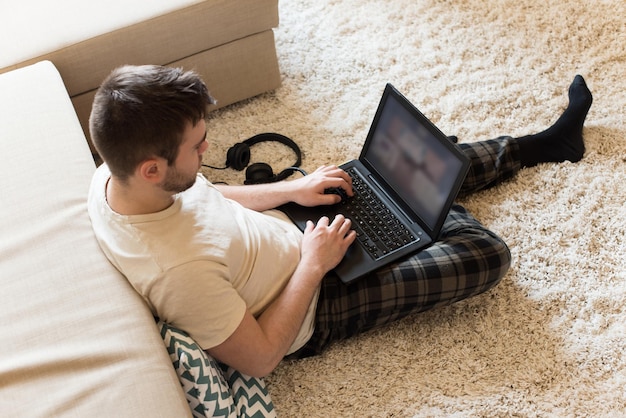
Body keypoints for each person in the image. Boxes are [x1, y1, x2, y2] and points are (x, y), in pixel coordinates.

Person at [87, 65, 593, 377]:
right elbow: (261, 359)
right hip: (316, 302)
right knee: (483, 252)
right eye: (197, 146)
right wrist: (312, 265)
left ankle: (542, 146)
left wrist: (292, 190)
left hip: (298, 231)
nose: (208, 149)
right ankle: (419, 214)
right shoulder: (179, 274)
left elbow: (208, 195)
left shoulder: (116, 175)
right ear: (153, 169)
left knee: (389, 177)